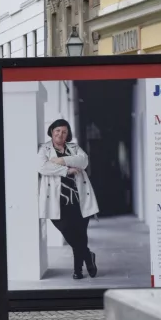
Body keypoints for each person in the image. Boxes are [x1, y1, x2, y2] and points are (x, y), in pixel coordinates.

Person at [38, 119, 99, 279]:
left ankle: (78, 270)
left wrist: (61, 160)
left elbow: (84, 161)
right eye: (57, 130)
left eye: (64, 132)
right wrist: (67, 170)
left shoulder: (74, 147)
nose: (60, 134)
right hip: (58, 202)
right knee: (69, 232)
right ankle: (88, 256)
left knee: (81, 234)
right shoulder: (44, 149)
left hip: (79, 200)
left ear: (68, 134)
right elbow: (43, 167)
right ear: (51, 131)